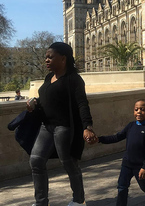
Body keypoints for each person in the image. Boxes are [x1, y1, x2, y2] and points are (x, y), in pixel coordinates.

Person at [27, 42, 96, 206]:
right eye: (46, 57)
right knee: (36, 161)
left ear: (63, 59)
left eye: (50, 57)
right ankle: (41, 202)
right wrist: (34, 102)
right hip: (46, 126)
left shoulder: (74, 79)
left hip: (64, 127)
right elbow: (47, 99)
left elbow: (82, 104)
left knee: (69, 163)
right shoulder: (48, 78)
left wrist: (88, 127)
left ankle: (79, 200)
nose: (46, 60)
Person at [97, 99, 145, 206]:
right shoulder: (131, 125)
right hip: (127, 163)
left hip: (140, 166)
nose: (139, 112)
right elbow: (117, 137)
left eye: (142, 109)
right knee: (122, 186)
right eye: (136, 109)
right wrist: (99, 139)